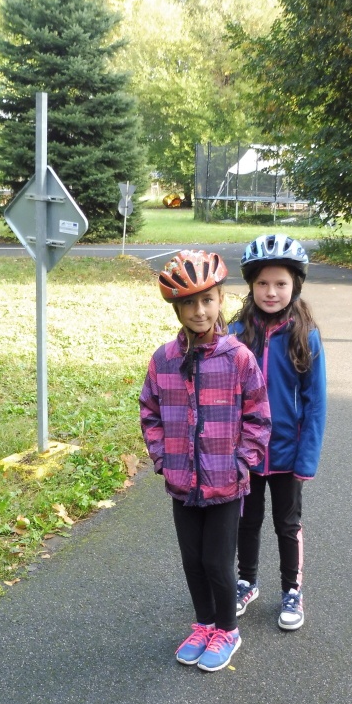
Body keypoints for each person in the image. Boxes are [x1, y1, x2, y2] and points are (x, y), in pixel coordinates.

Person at [139, 250, 271, 672]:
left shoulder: (238, 358)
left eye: (208, 300)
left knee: (217, 561)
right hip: (182, 481)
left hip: (225, 483)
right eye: (190, 304)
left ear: (221, 300)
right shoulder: (163, 360)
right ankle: (205, 625)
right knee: (193, 561)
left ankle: (228, 630)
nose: (199, 311)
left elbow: (258, 415)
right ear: (177, 309)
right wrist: (163, 458)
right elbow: (150, 412)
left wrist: (242, 462)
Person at [229, 233, 326, 631]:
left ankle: (292, 590)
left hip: (288, 454)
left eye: (281, 283)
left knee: (287, 525)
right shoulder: (236, 333)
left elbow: (315, 402)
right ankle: (246, 582)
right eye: (263, 283)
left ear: (295, 285)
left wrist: (307, 458)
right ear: (251, 285)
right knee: (245, 522)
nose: (271, 292)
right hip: (246, 453)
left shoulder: (305, 335)